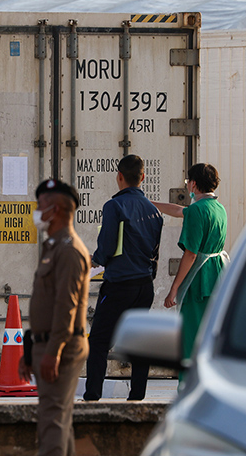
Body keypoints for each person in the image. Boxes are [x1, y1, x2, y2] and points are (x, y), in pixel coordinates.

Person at [18, 179, 90, 456]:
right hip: (46, 345)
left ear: (56, 210)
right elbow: (45, 306)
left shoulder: (69, 250)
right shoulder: (53, 246)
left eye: (40, 207)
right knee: (59, 421)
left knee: (52, 423)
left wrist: (53, 351)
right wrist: (30, 350)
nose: (37, 212)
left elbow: (66, 307)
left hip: (61, 346)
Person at [83, 155, 163, 402]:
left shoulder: (114, 206)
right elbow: (154, 252)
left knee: (98, 341)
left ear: (119, 176)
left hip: (119, 285)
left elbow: (106, 248)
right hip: (144, 286)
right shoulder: (154, 211)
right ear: (143, 177)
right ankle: (137, 395)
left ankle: (93, 394)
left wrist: (95, 259)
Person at [152, 163, 227, 364]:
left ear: (193, 184)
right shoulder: (218, 208)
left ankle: (186, 385)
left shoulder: (196, 211)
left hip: (199, 279)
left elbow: (191, 254)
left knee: (190, 337)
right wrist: (151, 203)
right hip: (216, 276)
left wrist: (174, 288)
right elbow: (178, 211)